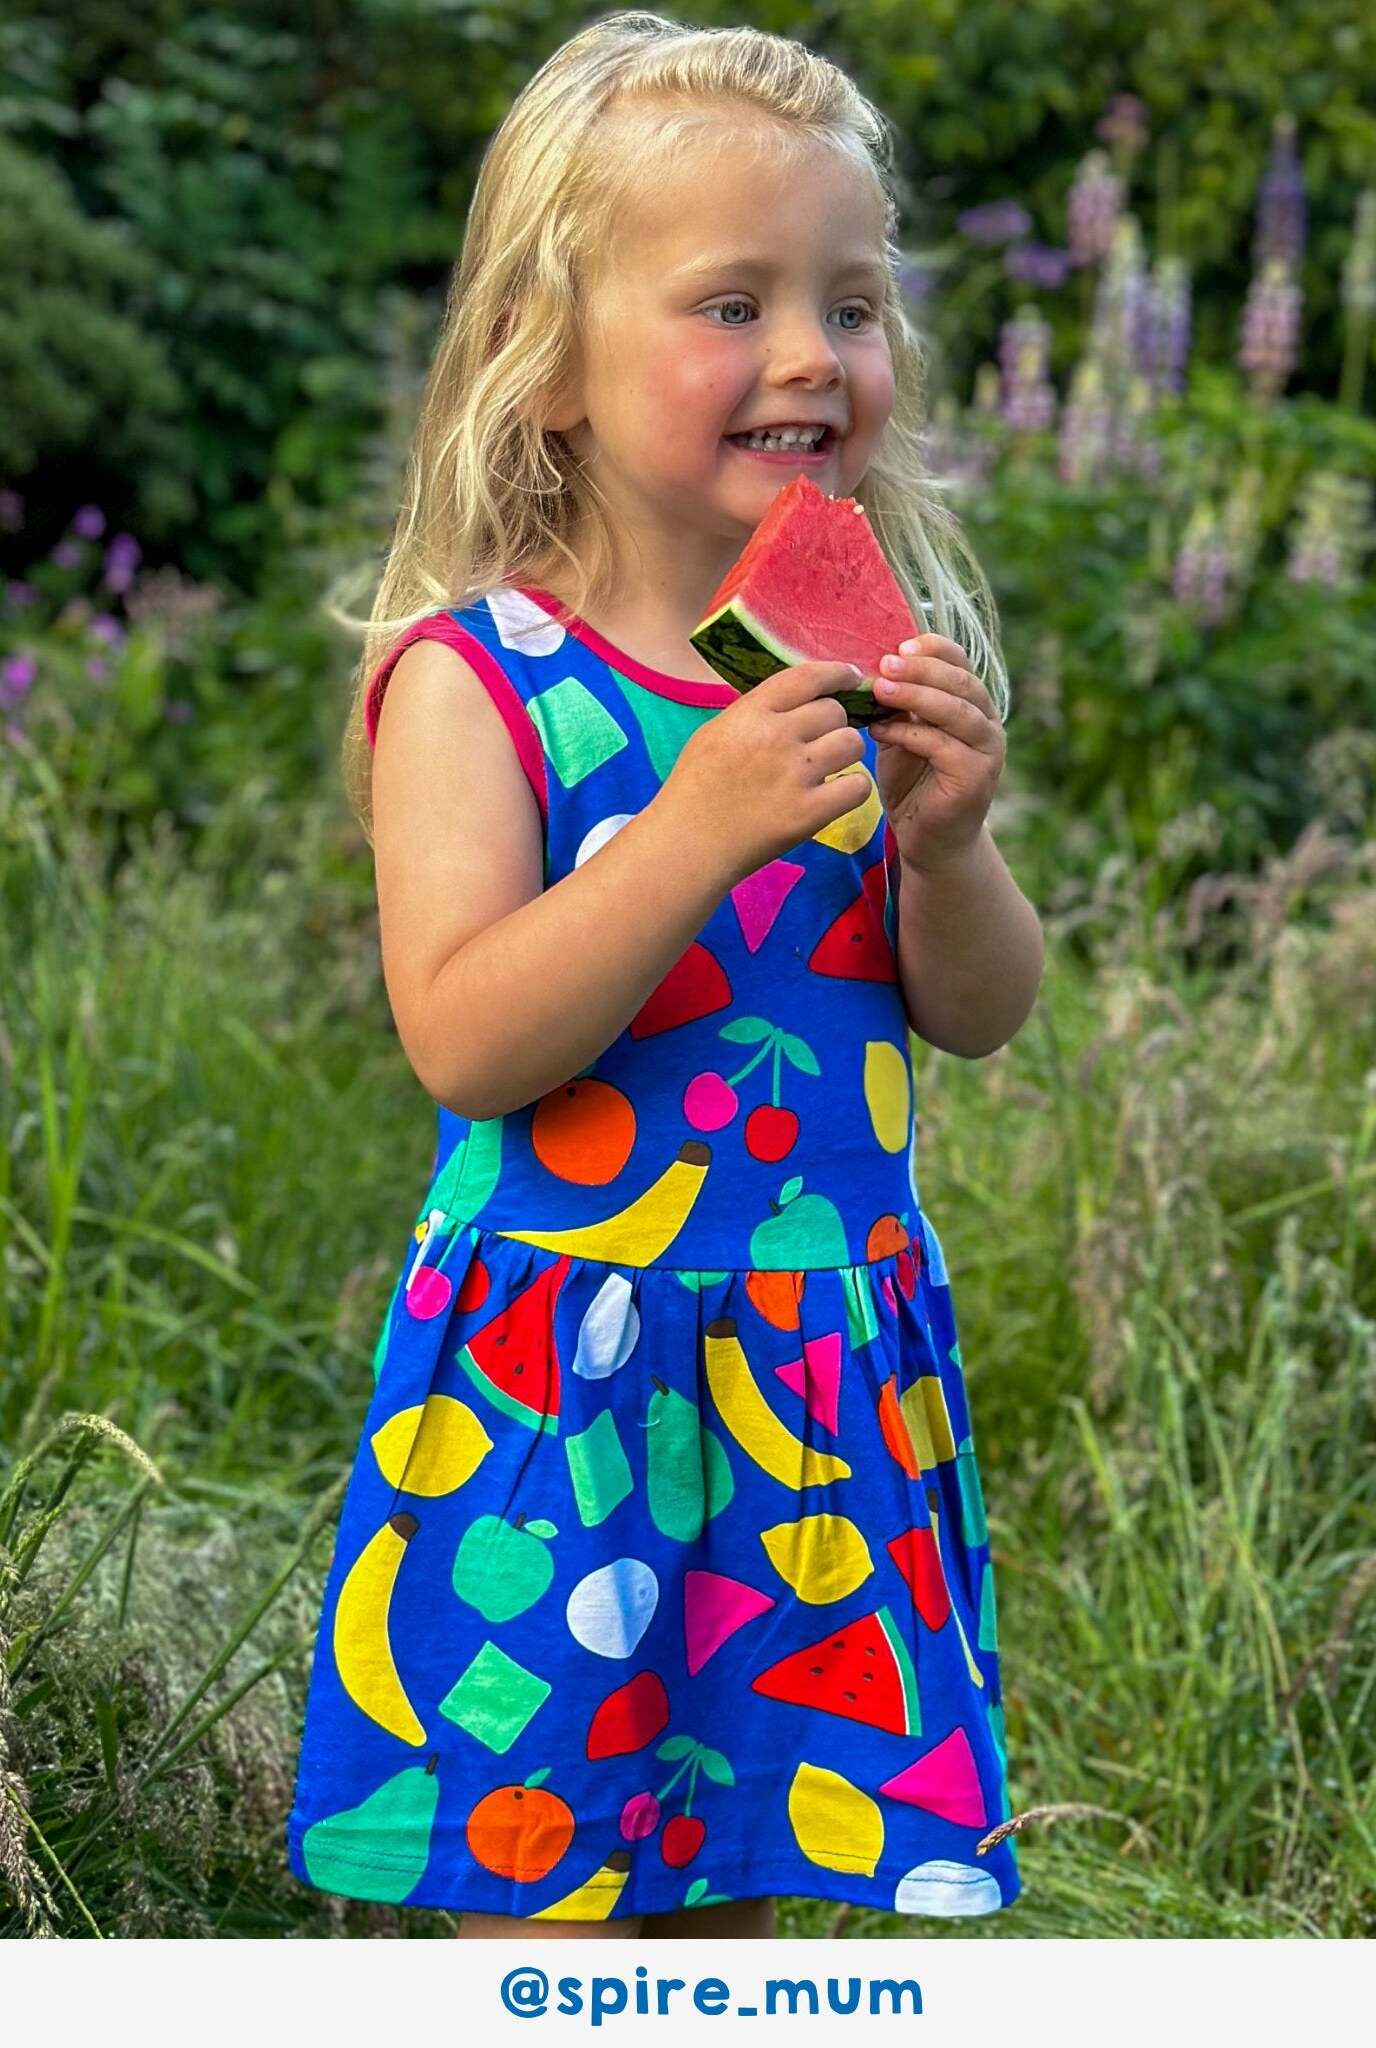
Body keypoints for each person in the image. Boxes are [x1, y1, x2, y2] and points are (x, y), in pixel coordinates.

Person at [285, 9, 1044, 1941]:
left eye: (852, 305)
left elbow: (973, 1008)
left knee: (737, 1905)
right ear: (546, 366)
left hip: (815, 1380)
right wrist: (691, 835)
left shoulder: (857, 669)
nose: (812, 352)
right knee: (537, 1912)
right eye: (733, 301)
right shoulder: (479, 680)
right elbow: (467, 1038)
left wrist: (947, 848)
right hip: (566, 1385)